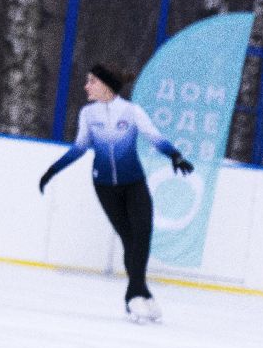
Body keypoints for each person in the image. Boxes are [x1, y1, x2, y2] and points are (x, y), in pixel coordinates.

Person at [38, 63, 194, 324]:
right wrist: (52, 171)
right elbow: (79, 148)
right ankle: (140, 295)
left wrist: (175, 156)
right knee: (129, 238)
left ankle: (134, 295)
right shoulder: (88, 115)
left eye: (91, 82)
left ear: (105, 86)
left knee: (142, 233)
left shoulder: (131, 112)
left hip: (134, 182)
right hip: (105, 186)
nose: (86, 86)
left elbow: (155, 138)